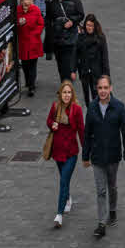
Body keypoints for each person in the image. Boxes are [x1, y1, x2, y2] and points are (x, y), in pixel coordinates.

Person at [81, 74, 125, 239]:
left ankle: (113, 210)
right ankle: (101, 223)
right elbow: (87, 133)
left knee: (112, 186)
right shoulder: (92, 107)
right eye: (100, 88)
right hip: (97, 155)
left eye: (105, 88)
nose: (102, 91)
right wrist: (85, 155)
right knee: (101, 190)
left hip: (113, 154)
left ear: (111, 88)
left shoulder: (119, 107)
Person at [46, 81, 84, 228]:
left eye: (69, 92)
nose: (67, 95)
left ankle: (59, 214)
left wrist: (86, 153)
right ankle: (67, 197)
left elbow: (81, 130)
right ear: (60, 94)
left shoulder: (77, 110)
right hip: (58, 152)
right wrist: (52, 125)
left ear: (72, 94)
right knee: (64, 178)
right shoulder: (55, 107)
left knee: (63, 181)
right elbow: (48, 120)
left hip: (71, 153)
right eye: (64, 92)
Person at [46, 0, 84, 83]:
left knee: (67, 63)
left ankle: (66, 85)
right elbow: (49, 16)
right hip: (57, 37)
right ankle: (64, 82)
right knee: (60, 63)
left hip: (70, 37)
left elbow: (81, 14)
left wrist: (72, 21)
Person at [75, 14, 109, 106]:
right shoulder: (81, 37)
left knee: (96, 96)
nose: (89, 27)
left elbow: (105, 57)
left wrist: (106, 76)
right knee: (86, 96)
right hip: (84, 72)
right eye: (87, 25)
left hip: (96, 72)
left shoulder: (100, 38)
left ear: (95, 26)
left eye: (91, 25)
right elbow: (76, 54)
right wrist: (74, 70)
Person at [16, 0, 45, 97]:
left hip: (33, 43)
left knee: (32, 64)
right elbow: (15, 26)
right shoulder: (18, 11)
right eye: (23, 2)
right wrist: (19, 24)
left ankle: (31, 86)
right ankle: (28, 82)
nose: (25, 5)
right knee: (24, 65)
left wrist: (35, 34)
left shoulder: (35, 10)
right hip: (23, 43)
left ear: (30, 1)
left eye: (27, 2)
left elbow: (41, 24)